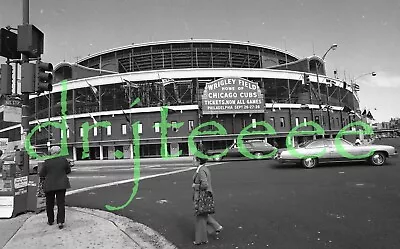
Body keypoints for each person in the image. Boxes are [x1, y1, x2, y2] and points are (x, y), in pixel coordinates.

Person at [192, 156, 223, 245]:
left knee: (200, 218)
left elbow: (204, 184)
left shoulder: (201, 170)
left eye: (194, 160)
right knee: (203, 215)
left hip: (201, 197)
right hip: (205, 196)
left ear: (198, 161)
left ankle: (200, 240)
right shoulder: (204, 168)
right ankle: (216, 227)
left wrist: (195, 186)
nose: (193, 161)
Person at [39, 146, 71, 229]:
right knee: (61, 203)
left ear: (51, 152)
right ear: (59, 152)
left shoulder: (47, 161)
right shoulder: (64, 160)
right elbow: (68, 171)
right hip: (61, 184)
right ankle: (60, 221)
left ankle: (50, 220)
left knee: (49, 203)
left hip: (49, 184)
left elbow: (42, 173)